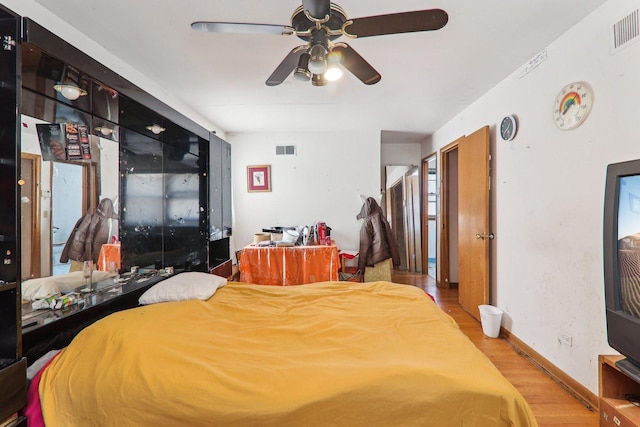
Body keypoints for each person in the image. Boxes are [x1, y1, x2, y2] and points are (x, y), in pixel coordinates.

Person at [60, 198, 118, 272]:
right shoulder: (102, 223)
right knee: (83, 281)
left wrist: (64, 258)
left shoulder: (89, 216)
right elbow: (95, 245)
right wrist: (91, 260)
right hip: (83, 259)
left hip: (76, 255)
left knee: (75, 280)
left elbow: (72, 237)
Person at [356, 197, 401, 273]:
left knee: (372, 282)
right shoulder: (382, 218)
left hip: (373, 260)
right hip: (384, 256)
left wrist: (360, 268)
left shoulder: (367, 222)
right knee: (384, 282)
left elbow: (364, 247)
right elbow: (391, 241)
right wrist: (396, 262)